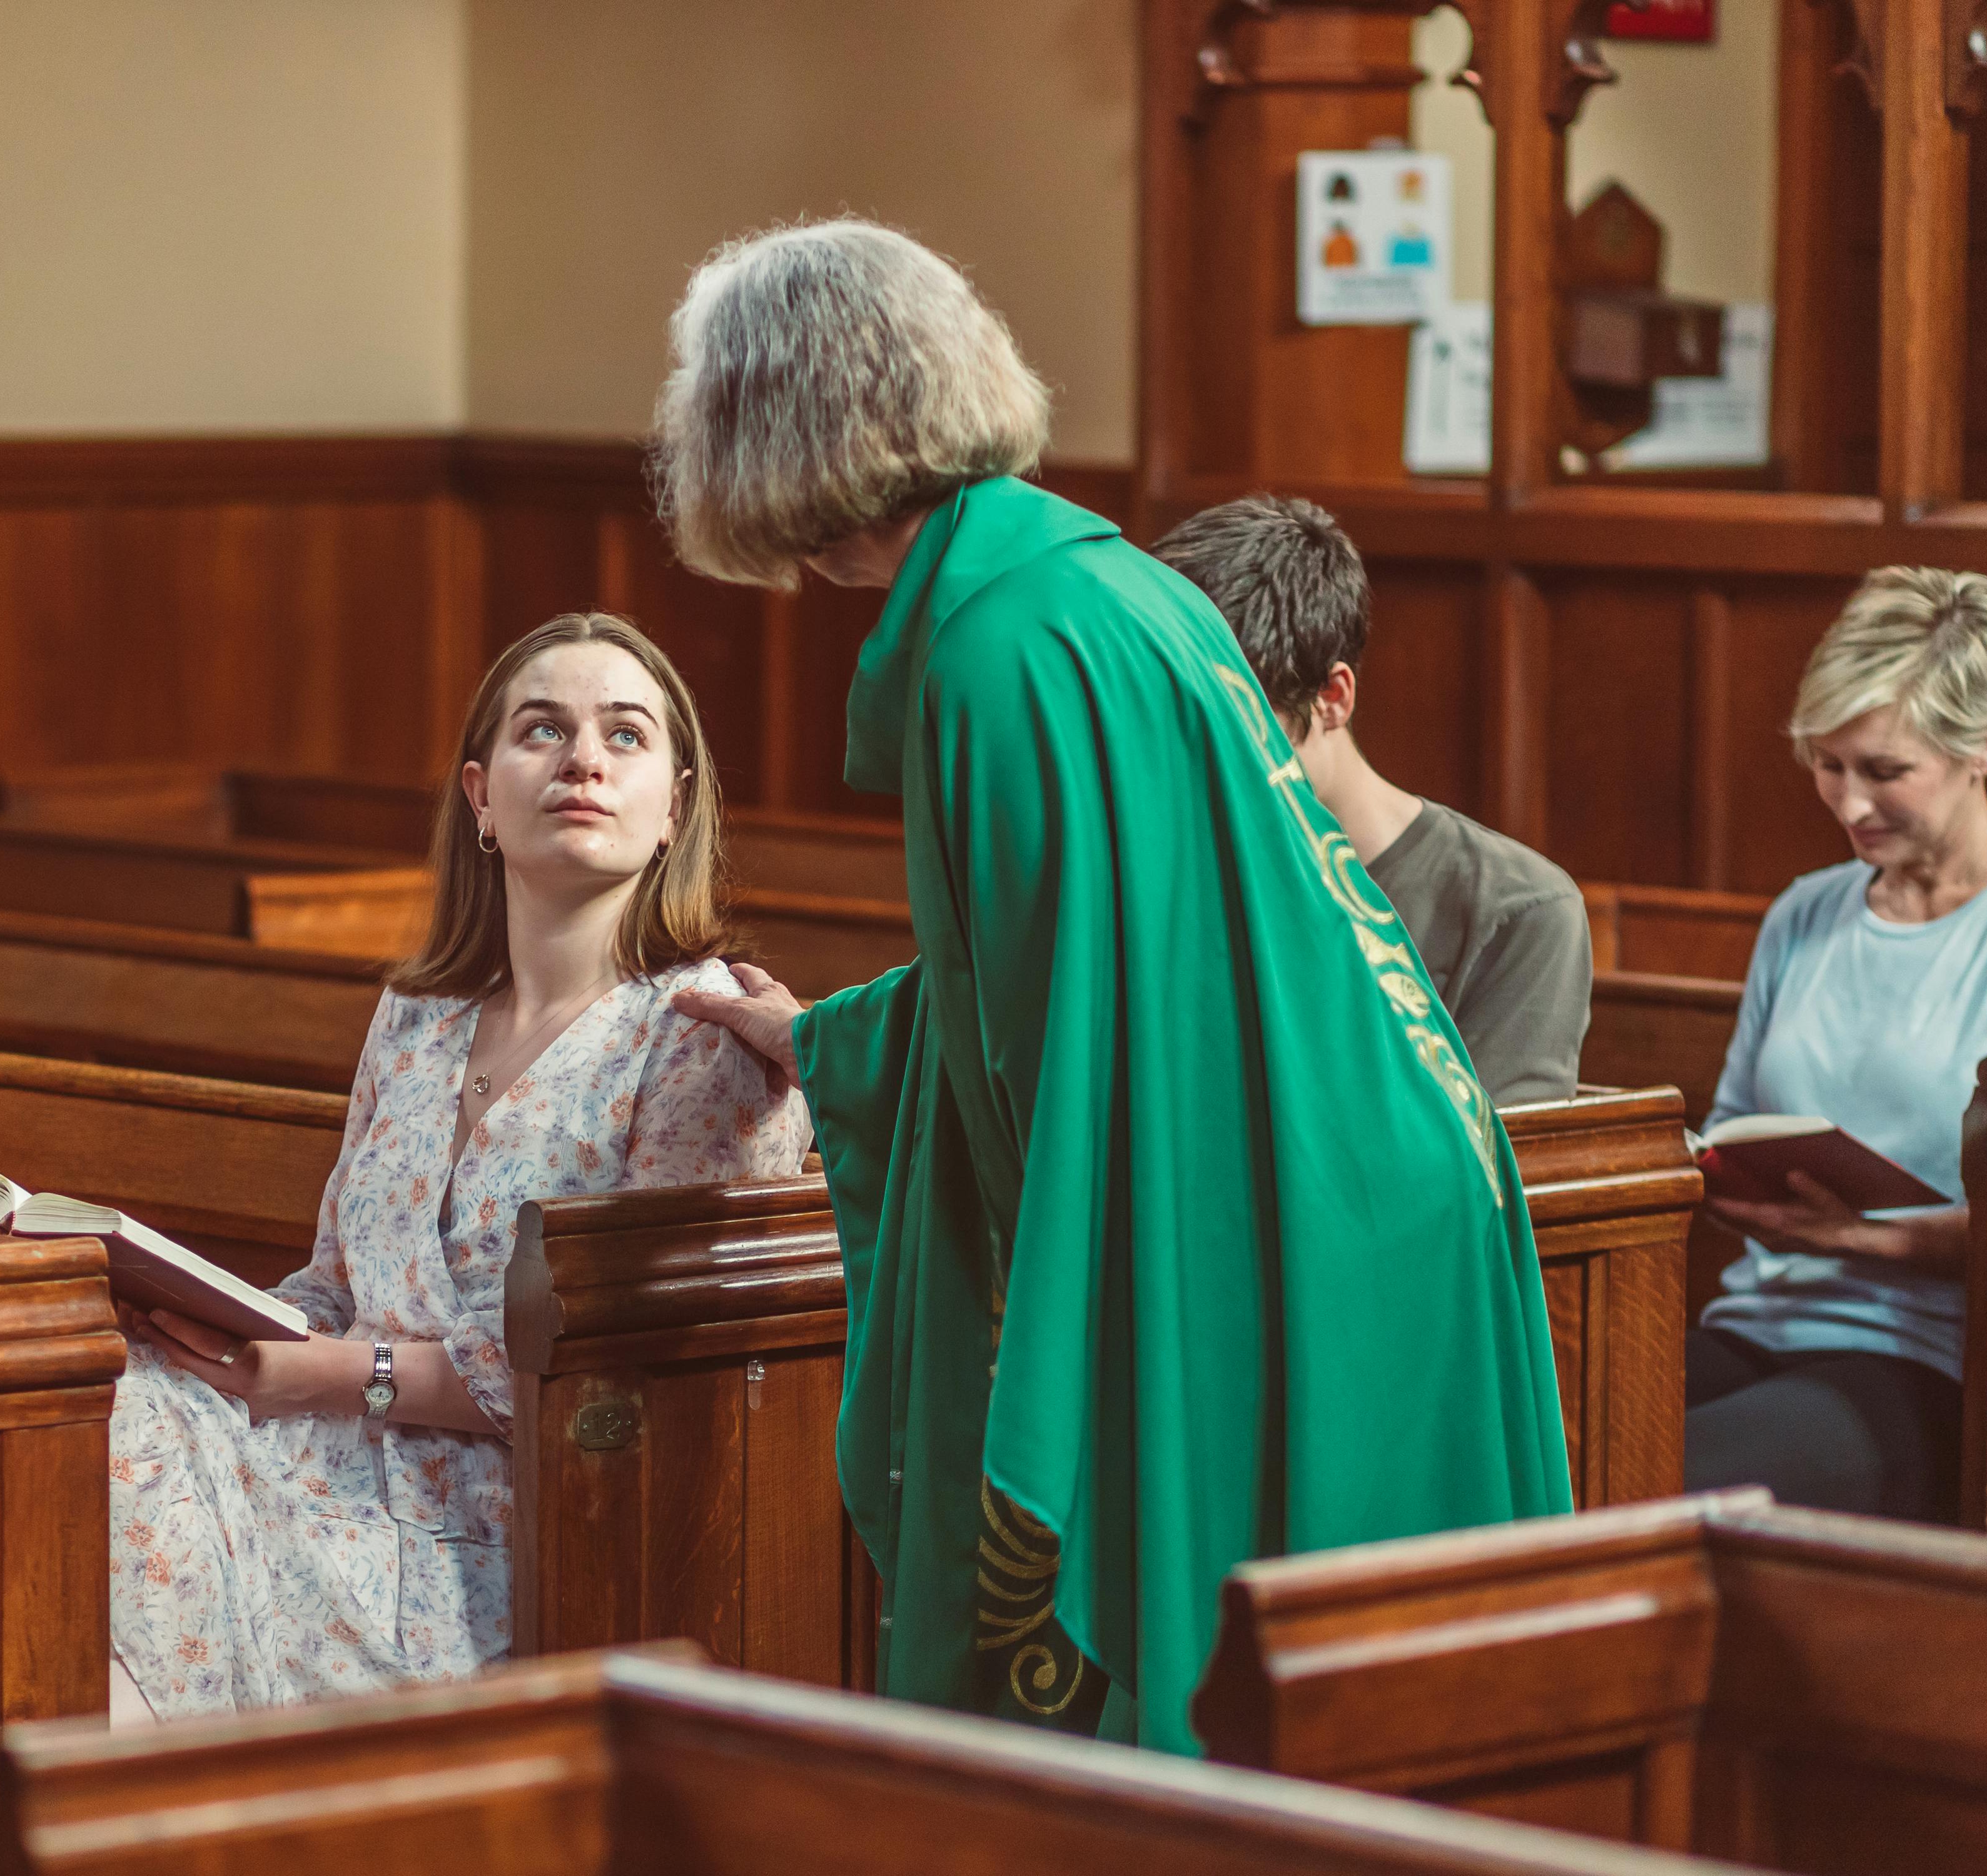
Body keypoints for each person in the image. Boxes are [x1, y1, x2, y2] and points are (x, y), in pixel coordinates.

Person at [655, 219, 1570, 1754]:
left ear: (778, 435)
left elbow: (1048, 1066)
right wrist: (829, 1036)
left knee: (1163, 1684)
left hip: (1272, 1209)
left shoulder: (1000, 649)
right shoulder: (1094, 585)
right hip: (1362, 1170)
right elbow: (1111, 980)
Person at [106, 612, 811, 1722]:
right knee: (115, 1404)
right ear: (482, 796)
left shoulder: (705, 1038)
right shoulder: (419, 1015)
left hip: (525, 1537)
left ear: (675, 808)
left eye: (625, 737)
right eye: (545, 730)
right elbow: (334, 1281)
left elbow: (623, 1380)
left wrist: (336, 1377)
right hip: (329, 1465)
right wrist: (223, 1324)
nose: (583, 758)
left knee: (127, 1463)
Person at [1689, 568, 1987, 1520]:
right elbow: (1731, 1126)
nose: (1850, 804)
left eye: (1886, 772)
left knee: (1659, 1483)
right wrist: (1728, 1181)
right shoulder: (1805, 914)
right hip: (1756, 1319)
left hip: (1931, 1360)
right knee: (1532, 1438)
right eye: (1829, 764)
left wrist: (1868, 1238)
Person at [1151, 494, 1592, 1104]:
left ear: (1333, 697)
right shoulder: (1164, 873)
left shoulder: (1517, 909)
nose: (1199, 767)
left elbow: (1491, 1180)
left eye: (1234, 729)